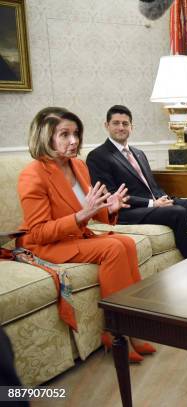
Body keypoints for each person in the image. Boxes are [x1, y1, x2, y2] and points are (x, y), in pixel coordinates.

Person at [17, 107, 153, 363]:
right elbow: (38, 231)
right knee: (113, 248)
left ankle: (134, 329)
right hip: (45, 245)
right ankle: (116, 334)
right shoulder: (32, 175)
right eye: (64, 134)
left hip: (75, 237)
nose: (74, 141)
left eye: (76, 133)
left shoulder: (78, 165)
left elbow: (92, 210)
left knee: (126, 242)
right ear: (45, 137)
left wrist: (109, 208)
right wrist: (81, 216)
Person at [86, 105, 187, 259]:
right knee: (178, 212)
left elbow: (152, 186)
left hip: (157, 203)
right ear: (106, 125)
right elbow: (110, 196)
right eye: (116, 123)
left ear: (131, 127)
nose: (121, 127)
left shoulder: (138, 153)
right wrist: (152, 203)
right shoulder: (98, 156)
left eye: (125, 123)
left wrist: (164, 199)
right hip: (127, 211)